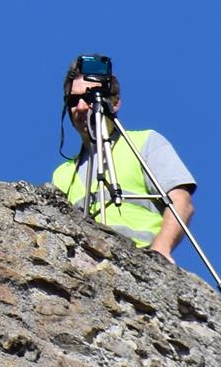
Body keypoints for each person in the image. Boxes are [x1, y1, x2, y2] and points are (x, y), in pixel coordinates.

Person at [51, 54, 194, 260]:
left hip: (143, 257)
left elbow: (182, 202)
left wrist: (161, 249)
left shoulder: (144, 143)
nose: (81, 107)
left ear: (115, 102)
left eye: (91, 97)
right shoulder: (62, 175)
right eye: (74, 100)